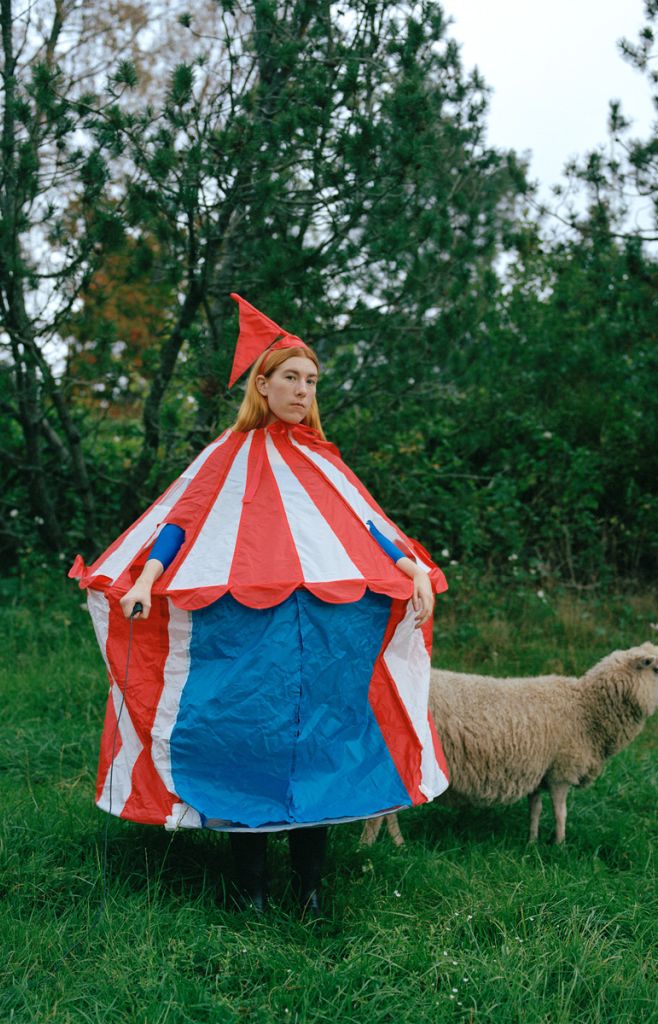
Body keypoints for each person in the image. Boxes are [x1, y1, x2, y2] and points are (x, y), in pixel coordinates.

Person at [70, 294, 449, 917]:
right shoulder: (227, 455)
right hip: (247, 632)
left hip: (322, 630)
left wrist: (414, 569)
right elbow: (180, 523)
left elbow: (370, 526)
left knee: (317, 751)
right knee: (248, 747)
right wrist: (146, 580)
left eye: (311, 381)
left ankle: (311, 890)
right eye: (291, 378)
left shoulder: (323, 461)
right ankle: (251, 890)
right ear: (263, 384)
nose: (303, 391)